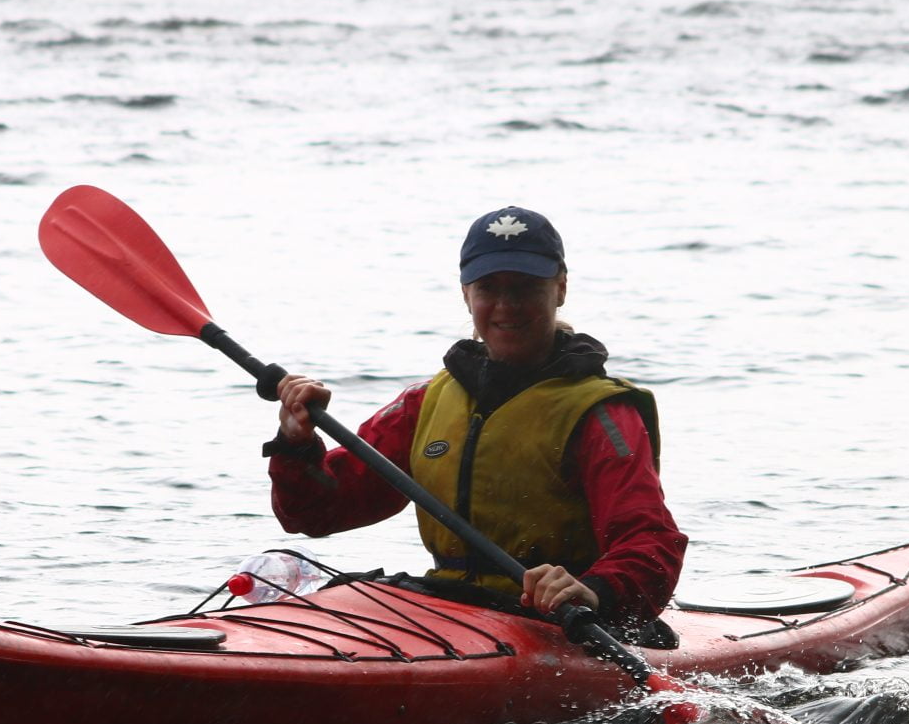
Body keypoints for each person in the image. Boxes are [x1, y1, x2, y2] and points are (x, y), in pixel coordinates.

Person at [262, 206, 687, 642]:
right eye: (489, 288)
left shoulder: (600, 413)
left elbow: (650, 538)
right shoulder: (426, 402)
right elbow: (314, 513)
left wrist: (594, 591)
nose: (506, 306)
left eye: (525, 288)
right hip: (450, 609)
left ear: (559, 288)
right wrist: (296, 442)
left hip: (560, 619)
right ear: (466, 293)